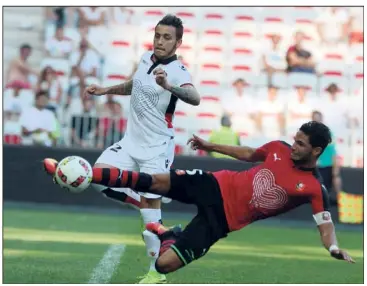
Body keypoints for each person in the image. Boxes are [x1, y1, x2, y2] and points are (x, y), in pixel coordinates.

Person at [44, 121, 354, 275]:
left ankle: (168, 234)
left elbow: (323, 224)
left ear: (316, 151)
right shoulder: (278, 148)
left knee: (164, 266)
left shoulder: (314, 188)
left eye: (301, 144)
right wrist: (209, 146)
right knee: (153, 182)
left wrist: (334, 247)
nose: (294, 146)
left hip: (223, 221)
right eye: (295, 139)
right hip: (216, 185)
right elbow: (249, 153)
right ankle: (85, 174)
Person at [45, 14, 200, 284]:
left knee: (150, 220)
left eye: (167, 37)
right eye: (158, 35)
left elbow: (195, 97)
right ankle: (141, 200)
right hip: (130, 142)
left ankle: (156, 273)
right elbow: (134, 85)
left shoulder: (178, 70)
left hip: (156, 148)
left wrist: (169, 86)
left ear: (178, 43)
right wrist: (106, 91)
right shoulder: (145, 59)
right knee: (95, 176)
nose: (160, 41)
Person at [312, 111, 342, 204]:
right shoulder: (310, 134)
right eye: (314, 119)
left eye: (318, 119)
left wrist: (335, 170)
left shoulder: (328, 134)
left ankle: (340, 200)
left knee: (334, 180)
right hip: (315, 165)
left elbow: (333, 152)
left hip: (327, 165)